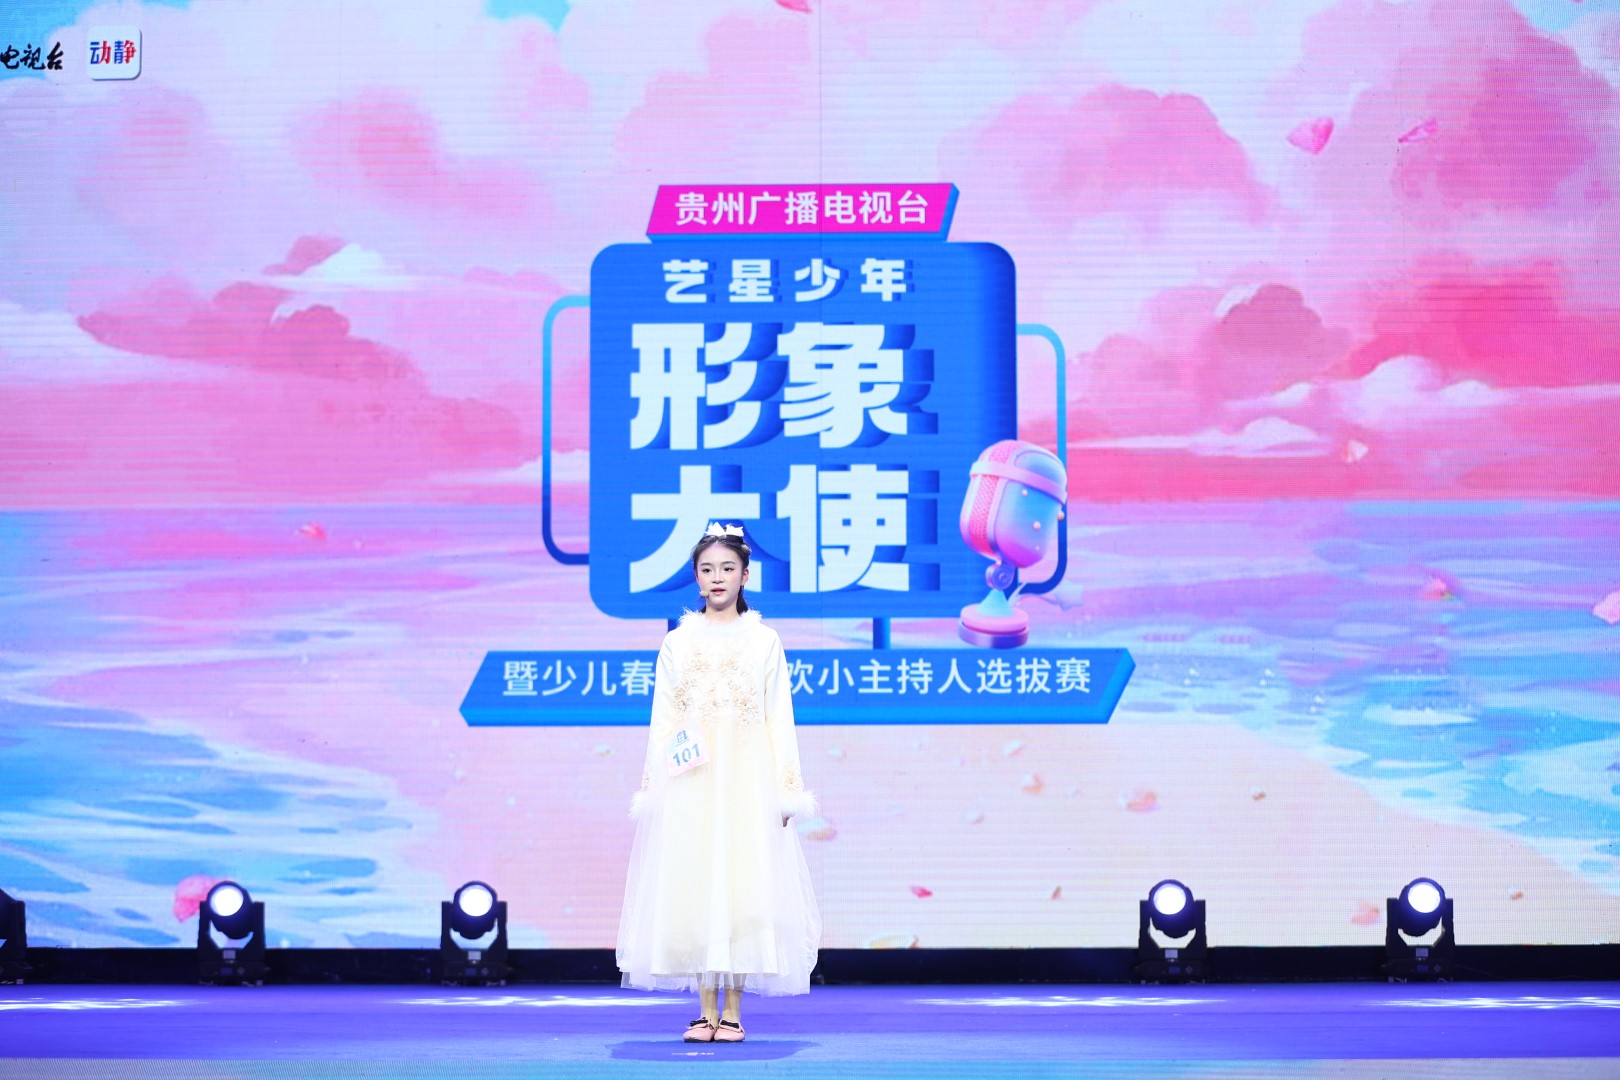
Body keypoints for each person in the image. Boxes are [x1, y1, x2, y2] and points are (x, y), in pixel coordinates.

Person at [615, 522, 821, 1043]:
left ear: (745, 575)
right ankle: (705, 1012)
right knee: (697, 885)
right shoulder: (678, 643)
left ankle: (733, 1013)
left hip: (748, 779)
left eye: (728, 568)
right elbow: (663, 720)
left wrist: (786, 789)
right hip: (691, 780)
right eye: (707, 569)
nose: (717, 577)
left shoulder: (764, 641)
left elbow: (779, 718)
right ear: (696, 577)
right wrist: (654, 788)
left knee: (742, 886)